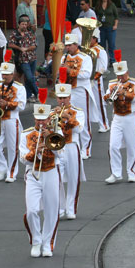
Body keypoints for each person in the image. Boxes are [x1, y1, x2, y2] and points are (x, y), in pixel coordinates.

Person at [20, 96, 61, 258]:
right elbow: (23, 158)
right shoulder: (26, 135)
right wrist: (35, 151)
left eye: (44, 120)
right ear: (34, 119)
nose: (42, 123)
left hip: (51, 172)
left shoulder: (56, 133)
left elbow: (60, 155)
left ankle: (48, 243)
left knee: (52, 211)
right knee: (32, 211)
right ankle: (36, 241)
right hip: (33, 174)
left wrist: (49, 138)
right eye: (39, 120)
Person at [103, 53, 135, 183]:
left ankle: (131, 171)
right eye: (118, 75)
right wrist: (109, 95)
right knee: (113, 146)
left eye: (123, 74)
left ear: (127, 72)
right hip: (117, 117)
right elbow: (106, 100)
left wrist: (124, 93)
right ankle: (116, 173)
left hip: (131, 117)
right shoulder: (112, 84)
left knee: (132, 146)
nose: (121, 77)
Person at [60, 33, 98, 158]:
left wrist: (69, 70)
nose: (67, 48)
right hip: (68, 91)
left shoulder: (85, 58)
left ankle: (86, 149)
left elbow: (86, 75)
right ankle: (68, 145)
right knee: (66, 118)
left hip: (81, 91)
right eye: (66, 45)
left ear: (76, 45)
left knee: (84, 120)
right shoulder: (64, 58)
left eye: (70, 45)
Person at [0, 59, 26, 182]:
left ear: (13, 74)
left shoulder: (19, 88)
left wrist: (7, 104)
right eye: (3, 74)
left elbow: (21, 105)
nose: (5, 76)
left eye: (7, 74)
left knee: (12, 147)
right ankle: (2, 168)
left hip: (12, 119)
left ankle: (12, 173)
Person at [54, 75, 85, 220]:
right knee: (57, 178)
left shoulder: (78, 112)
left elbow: (79, 130)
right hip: (58, 148)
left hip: (72, 147)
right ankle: (60, 207)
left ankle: (71, 208)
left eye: (64, 98)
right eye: (60, 98)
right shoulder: (52, 113)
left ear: (69, 97)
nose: (62, 100)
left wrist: (68, 118)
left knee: (74, 178)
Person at [8, 15, 38, 102]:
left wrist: (27, 49)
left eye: (25, 24)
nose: (24, 26)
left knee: (30, 78)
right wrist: (19, 48)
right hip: (22, 59)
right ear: (19, 24)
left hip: (32, 58)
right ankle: (37, 92)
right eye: (23, 24)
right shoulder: (14, 34)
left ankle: (28, 95)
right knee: (29, 77)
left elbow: (34, 45)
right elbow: (10, 44)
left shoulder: (30, 33)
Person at [90, 29, 110, 133]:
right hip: (86, 80)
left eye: (90, 38)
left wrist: (94, 78)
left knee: (99, 103)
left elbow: (103, 68)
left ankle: (104, 124)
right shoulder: (86, 50)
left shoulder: (100, 51)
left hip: (95, 80)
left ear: (95, 39)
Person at [95, 0, 119, 65]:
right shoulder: (98, 5)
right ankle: (103, 60)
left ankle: (112, 60)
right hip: (101, 28)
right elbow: (95, 15)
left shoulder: (112, 5)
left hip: (110, 28)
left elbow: (116, 16)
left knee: (111, 45)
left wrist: (115, 25)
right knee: (102, 45)